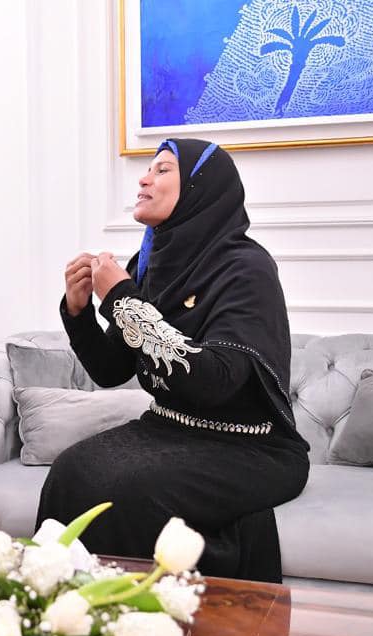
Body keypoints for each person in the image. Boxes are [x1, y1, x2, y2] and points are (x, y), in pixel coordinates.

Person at [35, 138, 309, 582]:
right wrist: (79, 310)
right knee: (72, 470)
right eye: (147, 169)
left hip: (250, 446)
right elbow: (110, 370)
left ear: (201, 188)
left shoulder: (246, 268)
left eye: (162, 170)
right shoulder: (148, 264)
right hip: (167, 427)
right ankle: (64, 611)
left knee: (128, 491)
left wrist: (122, 299)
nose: (144, 179)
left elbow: (215, 380)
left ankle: (142, 616)